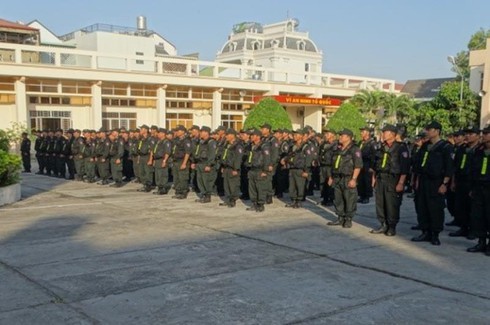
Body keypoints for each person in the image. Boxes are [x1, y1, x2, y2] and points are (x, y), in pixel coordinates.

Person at [411, 121, 454, 246]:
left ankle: (435, 234)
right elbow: (418, 164)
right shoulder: (425, 146)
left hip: (437, 182)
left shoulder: (446, 147)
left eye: (430, 130)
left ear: (437, 131)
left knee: (435, 208)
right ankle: (425, 231)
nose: (427, 132)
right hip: (424, 180)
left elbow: (449, 167)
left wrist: (444, 184)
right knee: (422, 206)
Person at [370, 124, 410, 236]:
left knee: (392, 204)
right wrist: (373, 178)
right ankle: (383, 224)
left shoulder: (401, 147)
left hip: (393, 179)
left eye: (385, 132)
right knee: (380, 203)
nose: (383, 134)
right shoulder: (381, 147)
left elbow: (404, 167)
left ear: (392, 134)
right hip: (381, 178)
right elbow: (375, 164)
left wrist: (401, 182)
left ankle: (392, 226)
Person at [327, 129, 363, 228]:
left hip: (348, 178)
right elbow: (332, 164)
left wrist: (354, 179)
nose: (340, 137)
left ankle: (348, 219)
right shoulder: (338, 149)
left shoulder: (354, 149)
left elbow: (358, 165)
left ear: (348, 137)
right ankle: (340, 217)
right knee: (338, 199)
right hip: (337, 178)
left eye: (342, 136)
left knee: (349, 199)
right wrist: (330, 177)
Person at [449, 127, 480, 238]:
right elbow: (455, 166)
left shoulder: (479, 149)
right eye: (467, 134)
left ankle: (473, 230)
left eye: (471, 134)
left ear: (477, 135)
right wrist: (453, 181)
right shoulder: (462, 149)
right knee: (460, 206)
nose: (468, 136)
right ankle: (463, 228)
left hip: (472, 181)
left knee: (472, 207)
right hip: (460, 181)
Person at [466, 126, 490, 254]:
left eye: (487, 133)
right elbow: (473, 169)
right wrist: (472, 187)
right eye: (484, 133)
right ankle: (481, 242)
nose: (484, 135)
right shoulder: (479, 150)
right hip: (479, 187)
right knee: (478, 216)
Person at [282, 129, 313, 208]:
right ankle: (293, 200)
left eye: (297, 135)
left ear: (301, 136)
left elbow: (308, 159)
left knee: (300, 186)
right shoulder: (292, 146)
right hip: (292, 168)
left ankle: (299, 201)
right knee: (292, 186)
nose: (294, 136)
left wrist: (306, 171)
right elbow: (289, 155)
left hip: (300, 169)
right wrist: (284, 159)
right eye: (294, 134)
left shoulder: (306, 146)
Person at [245, 129, 271, 212]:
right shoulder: (251, 146)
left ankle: (261, 204)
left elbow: (267, 159)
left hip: (260, 170)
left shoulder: (264, 146)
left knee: (260, 188)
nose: (251, 137)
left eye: (253, 135)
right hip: (252, 169)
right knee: (252, 188)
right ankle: (254, 203)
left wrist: (265, 171)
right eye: (251, 135)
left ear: (258, 137)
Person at [219, 128, 244, 207]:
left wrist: (236, 169)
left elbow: (238, 158)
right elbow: (224, 155)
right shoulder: (227, 144)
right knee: (226, 184)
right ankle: (228, 199)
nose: (226, 136)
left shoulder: (238, 145)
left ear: (232, 135)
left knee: (233, 185)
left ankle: (233, 200)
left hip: (233, 168)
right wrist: (223, 166)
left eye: (227, 135)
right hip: (226, 167)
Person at [193, 126, 217, 203]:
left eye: (202, 132)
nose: (200, 133)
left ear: (206, 133)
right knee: (200, 180)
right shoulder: (201, 141)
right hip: (200, 163)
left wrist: (209, 165)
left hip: (206, 163)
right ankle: (203, 194)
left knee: (206, 180)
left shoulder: (211, 142)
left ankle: (207, 196)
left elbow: (212, 154)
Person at [171, 125, 192, 199]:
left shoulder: (186, 140)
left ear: (183, 131)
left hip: (182, 161)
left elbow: (187, 152)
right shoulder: (177, 140)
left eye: (178, 130)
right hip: (176, 161)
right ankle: (178, 191)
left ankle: (183, 192)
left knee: (182, 177)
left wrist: (184, 163)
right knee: (176, 177)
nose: (176, 132)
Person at [261, 123, 279, 204]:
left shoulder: (273, 139)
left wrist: (271, 164)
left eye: (263, 128)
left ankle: (269, 196)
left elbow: (275, 153)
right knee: (263, 180)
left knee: (268, 180)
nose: (262, 130)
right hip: (263, 163)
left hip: (269, 163)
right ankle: (264, 195)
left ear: (268, 130)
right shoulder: (263, 139)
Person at [319, 129, 337, 206]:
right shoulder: (324, 144)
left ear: (333, 135)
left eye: (328, 134)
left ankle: (331, 199)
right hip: (323, 166)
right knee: (323, 183)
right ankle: (325, 198)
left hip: (330, 166)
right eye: (326, 134)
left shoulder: (336, 145)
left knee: (330, 183)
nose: (326, 135)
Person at [358, 127, 376, 204]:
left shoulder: (372, 143)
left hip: (368, 163)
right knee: (361, 180)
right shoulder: (361, 142)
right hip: (361, 163)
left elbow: (374, 155)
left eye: (363, 132)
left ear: (367, 133)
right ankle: (361, 196)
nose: (361, 133)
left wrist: (372, 167)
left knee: (367, 181)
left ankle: (367, 196)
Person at [152, 128, 172, 195]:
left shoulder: (166, 142)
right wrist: (154, 160)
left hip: (162, 160)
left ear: (163, 134)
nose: (158, 134)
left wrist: (164, 161)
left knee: (162, 175)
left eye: (160, 133)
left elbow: (167, 152)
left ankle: (163, 189)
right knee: (157, 175)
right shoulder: (158, 141)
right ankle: (159, 188)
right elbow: (155, 151)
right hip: (157, 160)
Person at [136, 125, 153, 192]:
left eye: (141, 129)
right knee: (141, 172)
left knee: (148, 172)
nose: (140, 131)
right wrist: (138, 158)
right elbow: (139, 149)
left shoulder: (150, 139)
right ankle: (144, 184)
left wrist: (150, 159)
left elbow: (152, 150)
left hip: (147, 157)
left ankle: (148, 186)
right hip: (141, 157)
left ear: (146, 130)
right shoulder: (141, 139)